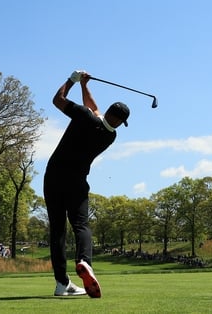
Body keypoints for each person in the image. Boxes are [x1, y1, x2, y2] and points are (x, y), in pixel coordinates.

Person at [43, 70, 130, 298]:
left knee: (58, 231)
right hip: (76, 182)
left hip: (53, 176)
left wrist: (72, 80)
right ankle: (84, 261)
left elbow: (58, 100)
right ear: (120, 122)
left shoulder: (84, 116)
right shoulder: (110, 136)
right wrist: (84, 85)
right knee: (81, 225)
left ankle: (62, 283)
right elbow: (95, 111)